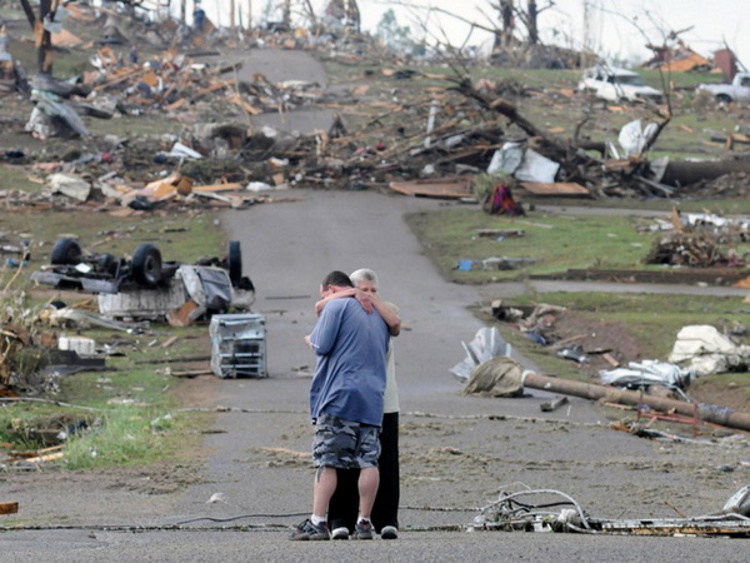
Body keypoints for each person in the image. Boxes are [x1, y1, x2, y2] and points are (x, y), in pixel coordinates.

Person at [290, 270, 390, 541]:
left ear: (331, 289)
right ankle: (365, 522)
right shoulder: (378, 314)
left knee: (328, 460)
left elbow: (322, 345)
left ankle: (318, 521)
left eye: (323, 295)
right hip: (372, 397)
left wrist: (311, 339)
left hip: (339, 395)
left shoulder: (336, 305)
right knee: (368, 460)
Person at [316, 268, 401, 540]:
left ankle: (383, 519)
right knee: (348, 463)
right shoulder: (345, 309)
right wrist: (350, 296)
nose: (369, 295)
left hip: (379, 400)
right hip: (364, 399)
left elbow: (396, 323)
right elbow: (321, 306)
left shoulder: (384, 312)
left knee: (378, 462)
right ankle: (344, 520)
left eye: (374, 290)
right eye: (363, 289)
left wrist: (367, 299)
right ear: (351, 291)